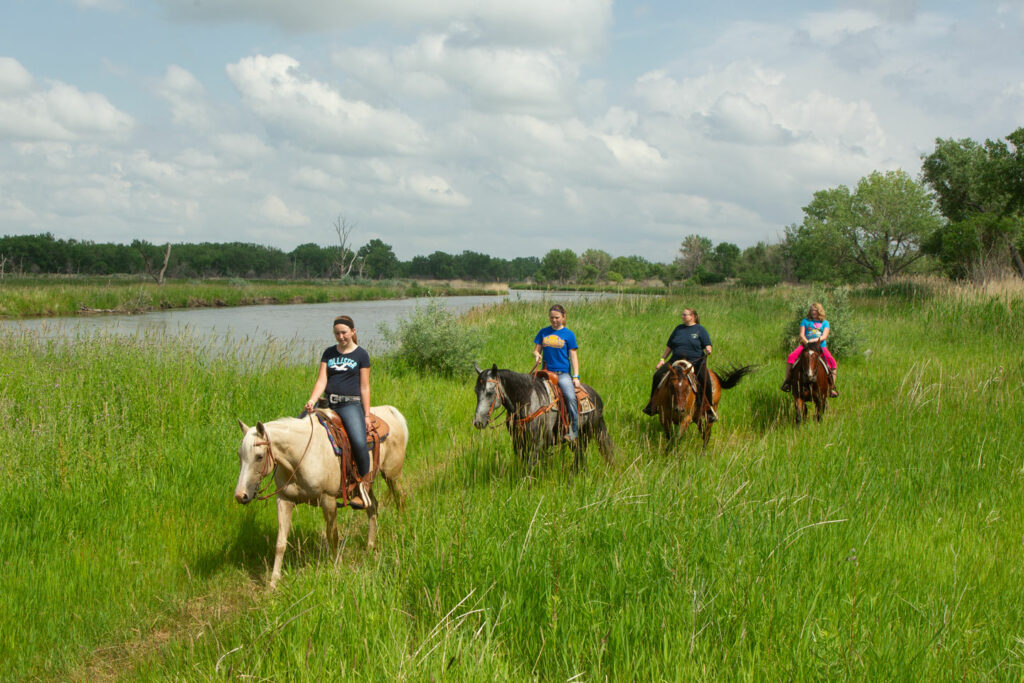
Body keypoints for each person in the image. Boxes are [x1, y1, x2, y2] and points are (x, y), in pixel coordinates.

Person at [305, 315, 374, 509]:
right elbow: (322, 381)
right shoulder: (328, 353)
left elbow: (365, 387)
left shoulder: (361, 355)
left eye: (344, 332)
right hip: (327, 403)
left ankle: (363, 485)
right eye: (337, 333)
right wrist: (311, 401)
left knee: (359, 442)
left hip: (350, 405)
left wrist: (366, 415)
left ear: (353, 332)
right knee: (300, 427)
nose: (341, 336)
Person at [642, 308, 717, 422]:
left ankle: (708, 409)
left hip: (695, 361)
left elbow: (708, 344)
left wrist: (708, 349)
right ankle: (652, 404)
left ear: (692, 316)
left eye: (684, 315)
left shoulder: (700, 330)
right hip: (676, 360)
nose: (682, 316)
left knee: (705, 379)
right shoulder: (678, 329)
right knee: (657, 376)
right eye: (682, 314)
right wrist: (662, 359)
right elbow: (669, 346)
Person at [533, 304, 581, 441]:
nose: (554, 320)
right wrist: (537, 354)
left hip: (562, 373)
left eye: (557, 318)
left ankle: (573, 431)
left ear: (563, 317)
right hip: (545, 373)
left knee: (570, 397)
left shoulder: (569, 334)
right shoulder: (543, 332)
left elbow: (573, 357)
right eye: (552, 318)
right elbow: (537, 349)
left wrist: (576, 376)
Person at [780, 302, 839, 397]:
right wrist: (807, 342)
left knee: (832, 362)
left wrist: (814, 341)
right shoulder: (805, 321)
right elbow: (801, 335)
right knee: (791, 357)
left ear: (819, 311)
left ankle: (832, 387)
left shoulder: (825, 323)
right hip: (806, 345)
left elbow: (824, 336)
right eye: (811, 310)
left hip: (820, 346)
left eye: (815, 310)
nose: (813, 312)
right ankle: (787, 381)